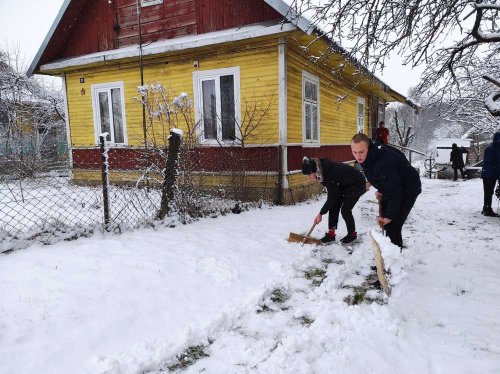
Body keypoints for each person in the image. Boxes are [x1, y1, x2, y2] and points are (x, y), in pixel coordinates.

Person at [350, 133, 421, 249]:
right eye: (355, 152)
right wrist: (381, 188)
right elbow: (380, 176)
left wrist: (390, 215)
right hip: (394, 185)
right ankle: (387, 256)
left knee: (393, 225)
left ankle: (392, 263)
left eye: (361, 152)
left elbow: (395, 191)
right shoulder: (371, 155)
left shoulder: (383, 162)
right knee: (387, 224)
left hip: (408, 188)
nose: (358, 156)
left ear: (368, 147)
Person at [301, 157, 366, 244]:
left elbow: (332, 197)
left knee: (345, 210)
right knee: (333, 206)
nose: (309, 178)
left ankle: (352, 234)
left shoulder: (329, 173)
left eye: (309, 175)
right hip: (342, 185)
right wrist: (322, 212)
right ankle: (331, 235)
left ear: (314, 170)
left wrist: (321, 213)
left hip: (356, 185)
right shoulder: (321, 171)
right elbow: (333, 196)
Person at [481, 131, 500, 217]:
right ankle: (487, 209)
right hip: (489, 175)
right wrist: (494, 174)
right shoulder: (491, 149)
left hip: (490, 174)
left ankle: (486, 208)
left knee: (488, 192)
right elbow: (490, 163)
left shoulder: (494, 148)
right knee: (488, 192)